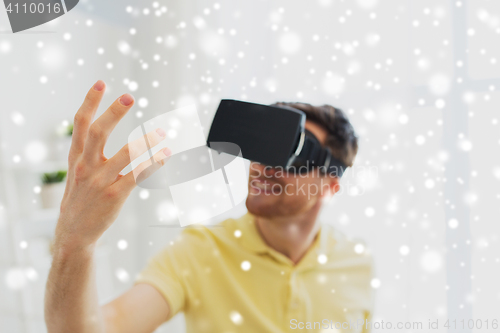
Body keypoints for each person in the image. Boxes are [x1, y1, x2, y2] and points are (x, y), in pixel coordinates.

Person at [45, 80, 374, 333]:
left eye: (294, 153)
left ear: (330, 186)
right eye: (263, 147)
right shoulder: (200, 252)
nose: (263, 165)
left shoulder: (356, 263)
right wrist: (75, 241)